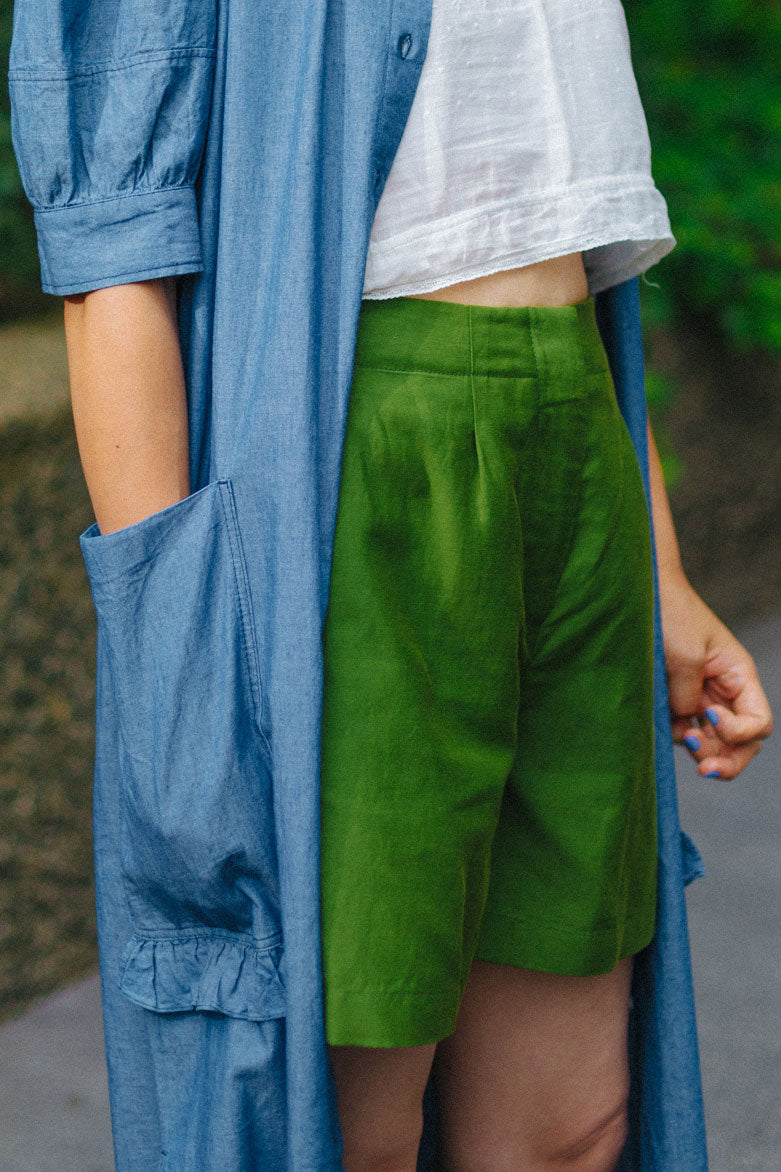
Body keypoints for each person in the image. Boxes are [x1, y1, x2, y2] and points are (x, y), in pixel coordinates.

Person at [7, 1, 772, 1169]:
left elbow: (552, 201)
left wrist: (658, 564)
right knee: (340, 1114)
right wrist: (183, 644)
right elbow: (116, 234)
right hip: (349, 451)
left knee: (574, 1129)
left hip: (572, 424)